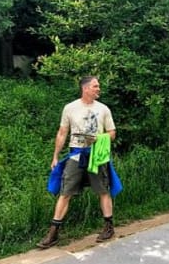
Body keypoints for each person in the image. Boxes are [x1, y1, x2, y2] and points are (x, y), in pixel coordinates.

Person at [37, 76, 116, 249]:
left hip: (96, 155)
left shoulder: (103, 109)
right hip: (76, 153)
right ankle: (53, 232)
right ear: (85, 88)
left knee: (103, 190)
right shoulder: (70, 108)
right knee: (65, 192)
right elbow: (62, 132)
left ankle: (109, 226)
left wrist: (98, 138)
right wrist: (55, 156)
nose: (98, 89)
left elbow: (112, 133)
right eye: (95, 86)